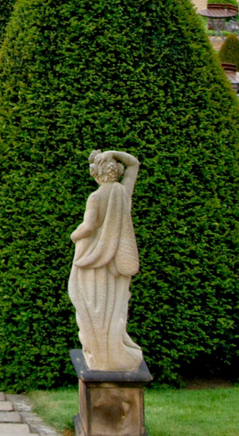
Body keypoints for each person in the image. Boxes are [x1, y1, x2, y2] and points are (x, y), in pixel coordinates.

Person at [69, 150, 144, 372]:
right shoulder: (122, 191)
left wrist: (74, 235)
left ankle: (101, 354)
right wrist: (115, 153)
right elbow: (134, 164)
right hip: (116, 263)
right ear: (117, 172)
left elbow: (89, 226)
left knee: (94, 307)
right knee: (116, 307)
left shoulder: (96, 197)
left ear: (95, 173)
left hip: (93, 260)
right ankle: (113, 351)